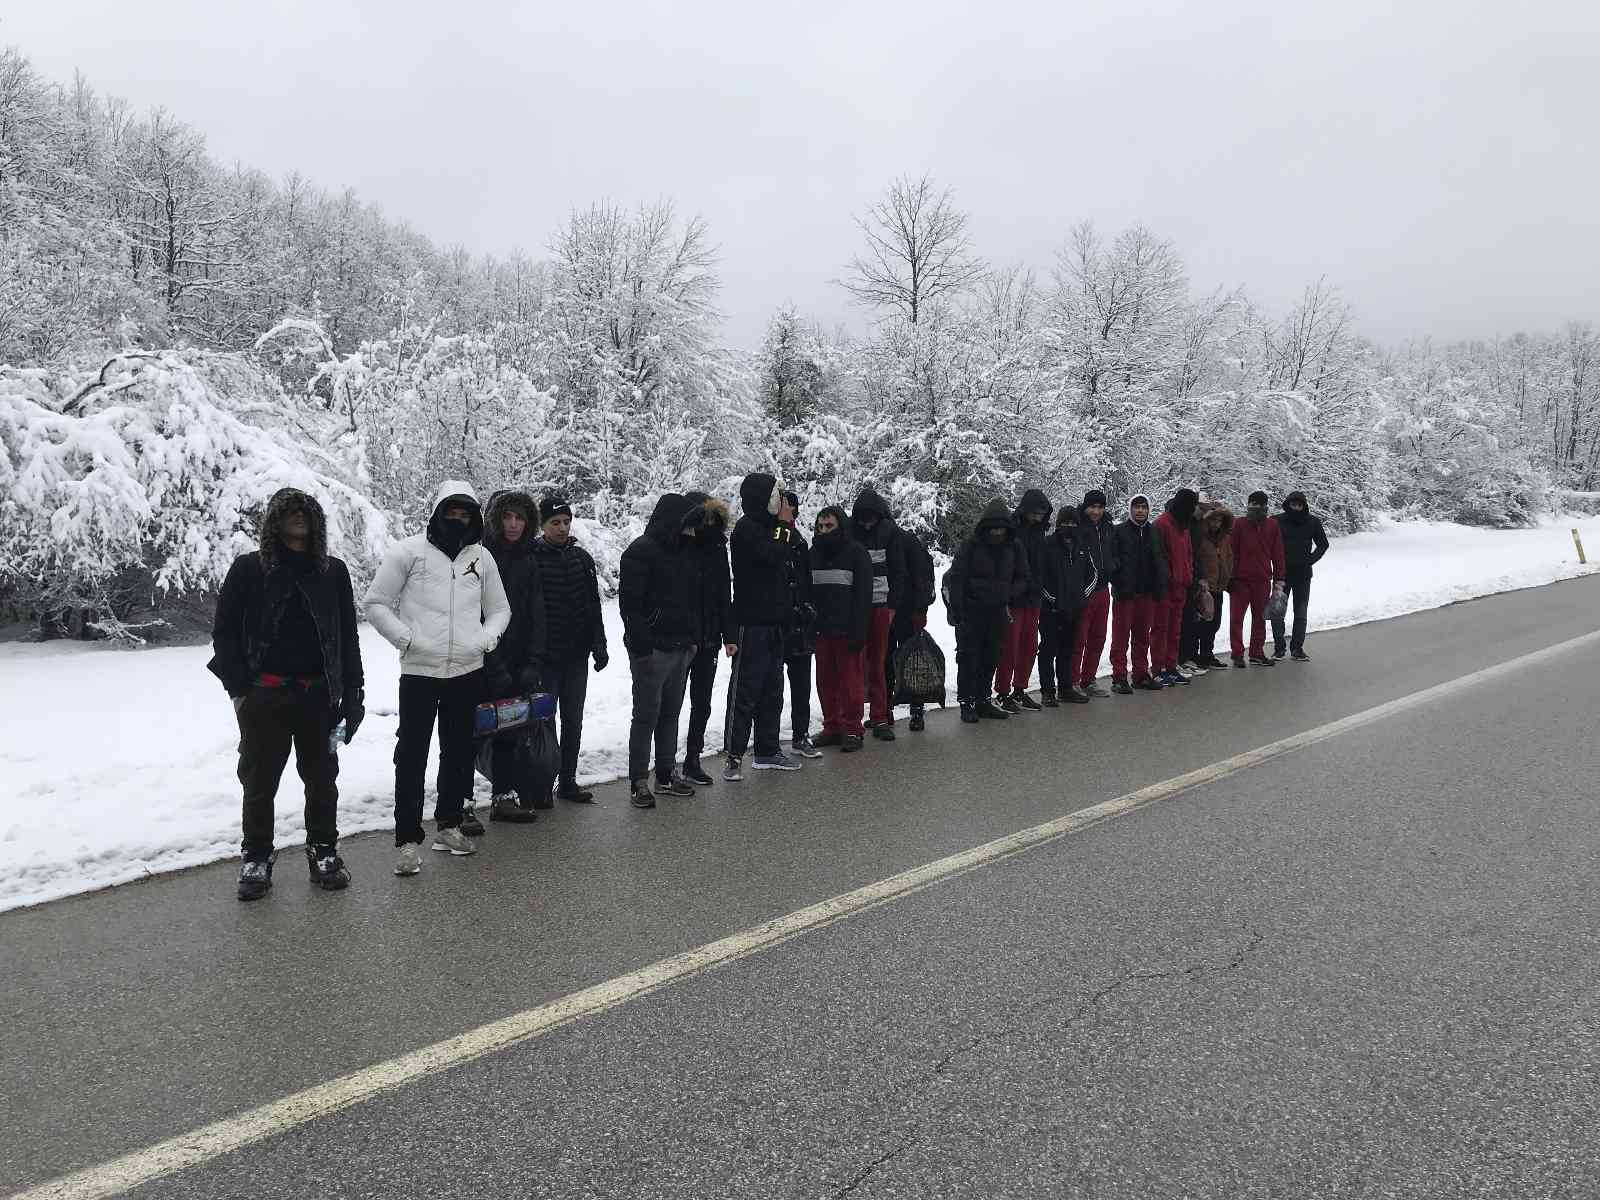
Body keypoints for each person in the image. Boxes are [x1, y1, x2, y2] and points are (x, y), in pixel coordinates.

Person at [209, 488, 365, 901]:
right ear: (274, 523)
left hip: (319, 696)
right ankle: (256, 856)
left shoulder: (333, 572)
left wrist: (354, 693)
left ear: (317, 521)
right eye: (289, 513)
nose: (298, 518)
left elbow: (347, 636)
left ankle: (324, 852)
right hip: (265, 697)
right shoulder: (248, 570)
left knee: (321, 780)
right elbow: (223, 633)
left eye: (305, 512)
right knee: (259, 781)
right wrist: (240, 689)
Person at [366, 481, 510, 876]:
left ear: (475, 518)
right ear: (437, 512)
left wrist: (485, 638)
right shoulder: (408, 552)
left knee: (459, 751)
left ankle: (448, 826)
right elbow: (375, 603)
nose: (458, 519)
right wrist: (405, 638)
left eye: (466, 513)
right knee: (411, 754)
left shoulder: (481, 558)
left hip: (467, 670)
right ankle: (407, 839)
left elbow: (500, 609)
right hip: (420, 672)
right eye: (452, 511)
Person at [619, 493, 707, 808]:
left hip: (681, 647)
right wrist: (643, 648)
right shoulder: (640, 552)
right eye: (689, 526)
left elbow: (693, 602)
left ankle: (666, 774)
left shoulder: (687, 553)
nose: (693, 533)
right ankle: (638, 781)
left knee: (670, 714)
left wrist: (694, 640)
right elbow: (631, 607)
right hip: (652, 650)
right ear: (673, 522)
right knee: (646, 716)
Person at [724, 472, 802, 779]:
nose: (780, 502)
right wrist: (783, 524)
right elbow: (772, 556)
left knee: (773, 690)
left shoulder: (774, 528)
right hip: (751, 622)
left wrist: (786, 522)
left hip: (775, 623)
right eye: (776, 496)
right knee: (745, 691)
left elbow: (792, 548)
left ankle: (768, 750)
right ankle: (733, 755)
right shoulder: (746, 529)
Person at [532, 495, 609, 804]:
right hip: (546, 658)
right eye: (555, 523)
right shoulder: (533, 558)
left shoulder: (582, 558)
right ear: (543, 525)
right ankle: (543, 784)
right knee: (545, 722)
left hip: (576, 656)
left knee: (573, 720)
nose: (562, 528)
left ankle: (568, 780)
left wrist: (599, 645)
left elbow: (593, 606)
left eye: (566, 522)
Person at [480, 490, 546, 825]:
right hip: (483, 660)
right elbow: (476, 614)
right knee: (469, 734)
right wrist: (495, 665)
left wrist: (533, 662)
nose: (513, 524)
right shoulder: (479, 557)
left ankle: (503, 796)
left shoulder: (529, 558)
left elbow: (537, 614)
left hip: (520, 660)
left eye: (520, 518)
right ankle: (459, 804)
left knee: (508, 730)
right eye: (507, 517)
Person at [946, 498, 1029, 723]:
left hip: (998, 611)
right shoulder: (970, 545)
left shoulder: (1014, 546)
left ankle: (983, 699)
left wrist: (1008, 594)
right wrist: (958, 611)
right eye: (993, 528)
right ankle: (967, 702)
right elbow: (957, 578)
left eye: (1001, 528)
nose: (997, 532)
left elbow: (1023, 577)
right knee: (968, 657)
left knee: (991, 656)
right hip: (972, 611)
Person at [680, 491, 736, 785]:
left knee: (701, 702)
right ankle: (666, 762)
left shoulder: (717, 549)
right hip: (682, 638)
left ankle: (693, 759)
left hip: (710, 637)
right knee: (672, 702)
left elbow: (723, 596)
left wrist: (730, 634)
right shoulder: (680, 547)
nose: (708, 526)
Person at [808, 505, 874, 752]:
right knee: (825, 683)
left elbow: (863, 596)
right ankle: (832, 727)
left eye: (829, 526)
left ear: (841, 527)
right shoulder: (813, 553)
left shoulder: (856, 553)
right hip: (822, 632)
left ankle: (853, 729)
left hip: (848, 632)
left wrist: (858, 630)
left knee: (850, 684)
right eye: (820, 526)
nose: (824, 530)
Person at [851, 488, 908, 739]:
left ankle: (880, 716)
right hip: (857, 608)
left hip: (881, 606)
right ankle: (852, 720)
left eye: (870, 518)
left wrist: (892, 606)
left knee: (878, 664)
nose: (866, 523)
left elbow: (898, 572)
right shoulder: (851, 533)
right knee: (855, 665)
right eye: (862, 518)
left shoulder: (891, 533)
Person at [996, 489, 1053, 712]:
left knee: (1029, 647)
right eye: (1035, 512)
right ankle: (1002, 691)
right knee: (1010, 646)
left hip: (1034, 598)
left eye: (1042, 512)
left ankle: (1020, 689)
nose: (1038, 516)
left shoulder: (1041, 533)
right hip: (1014, 598)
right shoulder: (1011, 531)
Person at [1109, 494, 1169, 694]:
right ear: (1130, 509)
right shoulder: (1119, 531)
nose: (1140, 511)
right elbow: (1113, 561)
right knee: (1120, 637)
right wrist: (1119, 582)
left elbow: (1160, 560)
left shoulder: (1154, 532)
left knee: (1142, 636)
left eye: (1144, 507)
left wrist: (1160, 586)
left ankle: (1141, 674)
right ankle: (1119, 677)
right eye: (1136, 507)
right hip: (1125, 594)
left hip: (1147, 593)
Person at [1036, 506, 1093, 705]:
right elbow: (1039, 578)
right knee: (1048, 649)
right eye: (1065, 523)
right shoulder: (1047, 545)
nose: (1069, 527)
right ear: (1058, 524)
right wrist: (1053, 600)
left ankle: (1066, 687)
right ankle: (1047, 690)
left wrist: (1082, 596)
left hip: (1075, 608)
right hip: (1051, 609)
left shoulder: (1082, 546)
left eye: (1073, 523)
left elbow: (1092, 574)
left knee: (1067, 650)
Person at [885, 521, 938, 731]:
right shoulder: (899, 539)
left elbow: (923, 576)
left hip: (906, 611)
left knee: (909, 661)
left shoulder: (905, 541)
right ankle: (888, 709)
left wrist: (921, 609)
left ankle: (912, 710)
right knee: (901, 661)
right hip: (891, 610)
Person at [1229, 490, 1287, 667]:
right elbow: (1231, 552)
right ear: (1248, 505)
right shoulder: (1238, 524)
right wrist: (1230, 577)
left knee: (1260, 618)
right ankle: (1237, 653)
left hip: (1262, 579)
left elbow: (1278, 553)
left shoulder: (1272, 525)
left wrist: (1279, 579)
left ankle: (1256, 652)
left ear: (1265, 506)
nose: (1256, 507)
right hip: (1240, 580)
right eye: (1253, 504)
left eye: (1260, 504)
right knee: (1236, 618)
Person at [783, 491, 821, 758]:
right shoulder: (766, 538)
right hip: (776, 623)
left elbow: (807, 581)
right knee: (769, 688)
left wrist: (809, 610)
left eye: (794, 509)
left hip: (801, 623)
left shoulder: (799, 542)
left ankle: (800, 734)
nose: (791, 513)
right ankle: (766, 740)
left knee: (801, 686)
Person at [1150, 489, 1199, 687]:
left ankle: (1171, 665)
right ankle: (1158, 668)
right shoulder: (1162, 524)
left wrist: (1189, 576)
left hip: (1182, 585)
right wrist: (1167, 578)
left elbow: (1189, 554)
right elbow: (1158, 556)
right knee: (1161, 628)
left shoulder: (1184, 526)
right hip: (1166, 586)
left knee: (1174, 630)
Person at [1071, 490, 1117, 698]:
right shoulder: (1077, 526)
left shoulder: (1108, 527)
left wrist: (1113, 567)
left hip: (1102, 589)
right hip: (1083, 590)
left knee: (1098, 637)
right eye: (1092, 507)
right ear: (1085, 506)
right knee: (1079, 637)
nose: (1096, 511)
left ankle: (1088, 679)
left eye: (1100, 507)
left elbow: (1115, 552)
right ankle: (1072, 681)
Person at [1272, 491, 1329, 661]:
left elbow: (1323, 544)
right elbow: (1266, 543)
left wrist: (1309, 560)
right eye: (1293, 504)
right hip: (1281, 575)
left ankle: (1297, 649)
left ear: (1304, 506)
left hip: (1303, 575)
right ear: (1287, 504)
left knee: (1301, 613)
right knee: (1277, 613)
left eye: (1299, 505)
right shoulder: (1276, 521)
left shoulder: (1312, 522)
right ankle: (1279, 649)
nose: (1296, 507)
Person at [1181, 498, 1234, 671]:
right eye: (1213, 519)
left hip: (1218, 586)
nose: (1216, 523)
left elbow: (1228, 558)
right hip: (1202, 587)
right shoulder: (1199, 537)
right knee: (1198, 624)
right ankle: (1194, 655)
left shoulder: (1224, 538)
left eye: (1219, 520)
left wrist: (1228, 578)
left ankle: (1207, 654)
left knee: (1214, 623)